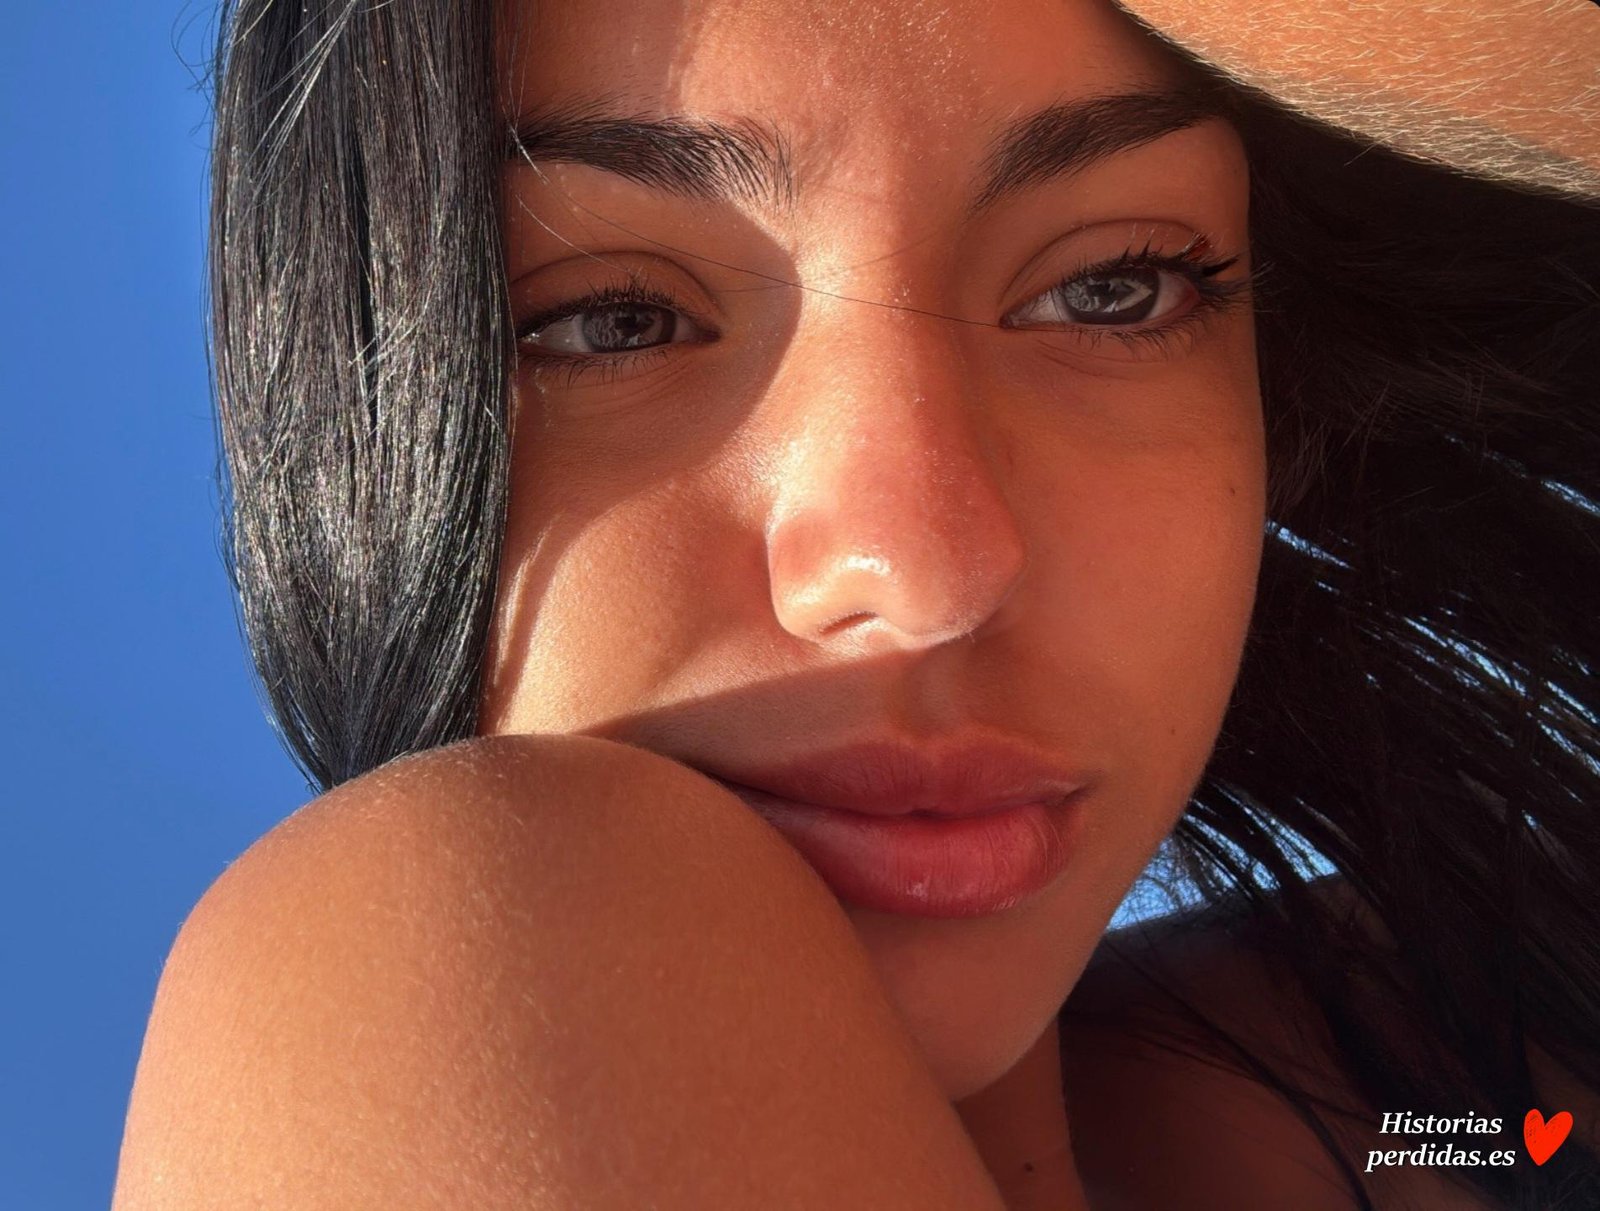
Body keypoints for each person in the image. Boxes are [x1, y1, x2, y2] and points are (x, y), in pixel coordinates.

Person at [114, 0, 1600, 1207]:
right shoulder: (430, 957)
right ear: (354, 420)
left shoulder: (1482, 1044)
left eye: (1115, 289)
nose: (930, 573)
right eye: (619, 320)